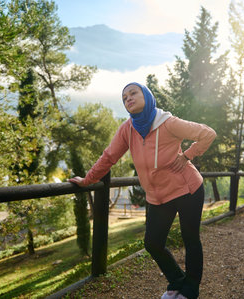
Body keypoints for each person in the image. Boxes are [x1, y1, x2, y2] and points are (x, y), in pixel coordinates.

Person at [69, 82, 216, 299]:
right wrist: (87, 180)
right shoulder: (127, 129)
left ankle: (190, 289)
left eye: (133, 93)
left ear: (146, 95)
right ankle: (177, 281)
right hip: (157, 196)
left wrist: (187, 155)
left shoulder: (168, 122)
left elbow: (207, 133)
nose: (128, 98)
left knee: (190, 237)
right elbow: (109, 157)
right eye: (124, 97)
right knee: (153, 243)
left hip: (187, 189)